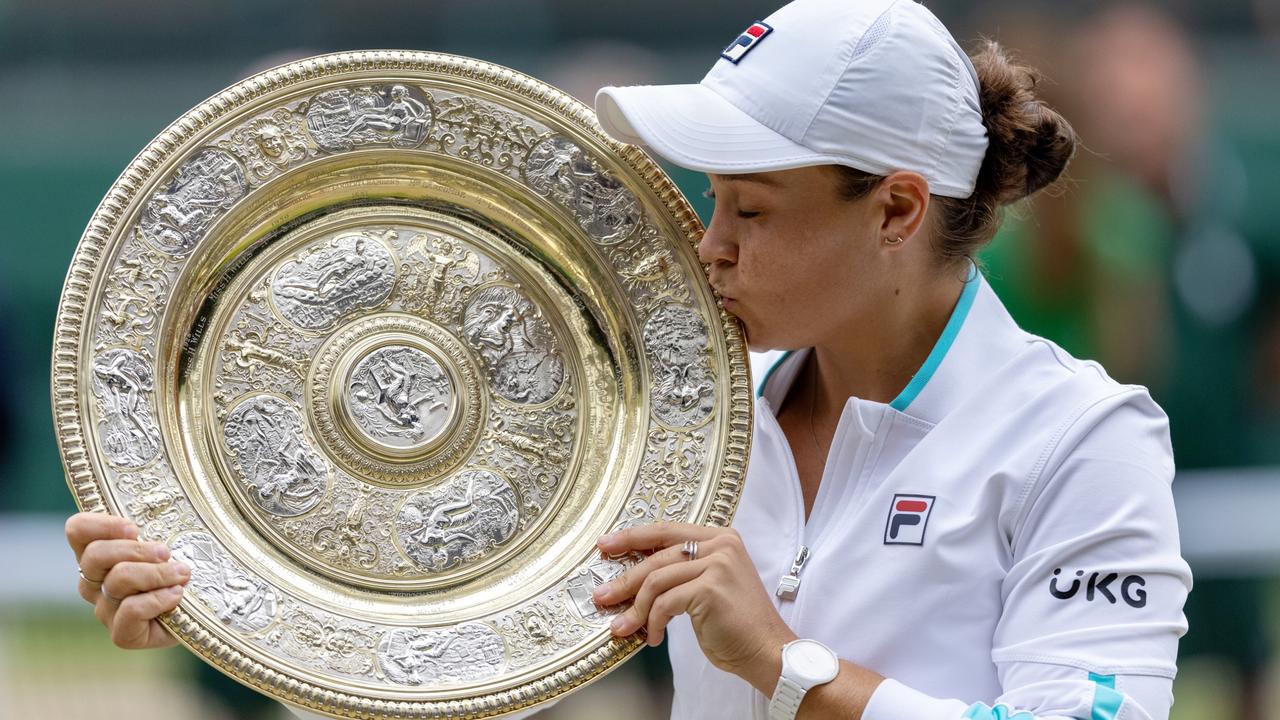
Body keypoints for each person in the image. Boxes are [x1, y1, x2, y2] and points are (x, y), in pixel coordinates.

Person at [64, 0, 1193, 718]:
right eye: (712, 203)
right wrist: (217, 604)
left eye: (749, 210)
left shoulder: (1082, 440)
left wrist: (784, 664)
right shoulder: (674, 426)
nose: (708, 248)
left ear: (895, 209)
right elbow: (437, 654)